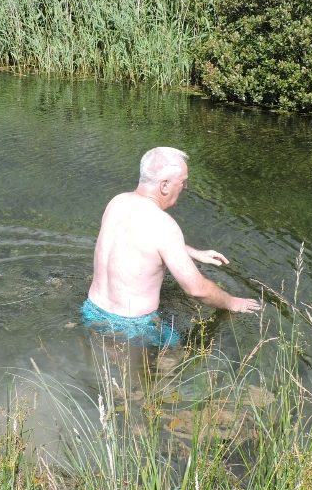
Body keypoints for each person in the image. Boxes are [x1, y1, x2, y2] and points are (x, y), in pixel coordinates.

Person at [83, 147, 262, 346]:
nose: (185, 187)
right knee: (176, 361)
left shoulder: (118, 202)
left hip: (92, 310)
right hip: (133, 326)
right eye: (183, 181)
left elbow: (141, 241)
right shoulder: (164, 225)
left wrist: (194, 253)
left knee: (106, 368)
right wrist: (233, 303)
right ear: (165, 186)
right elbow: (197, 290)